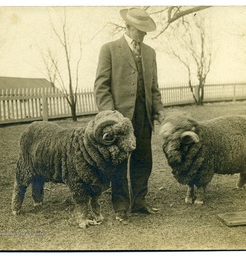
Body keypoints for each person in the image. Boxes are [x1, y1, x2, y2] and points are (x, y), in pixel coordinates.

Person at [94, 7, 165, 223]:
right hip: (119, 120)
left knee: (143, 160)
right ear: (128, 27)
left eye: (145, 31)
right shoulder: (109, 50)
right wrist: (110, 116)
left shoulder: (150, 53)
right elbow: (101, 86)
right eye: (140, 30)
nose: (143, 34)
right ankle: (121, 206)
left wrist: (159, 109)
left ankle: (138, 202)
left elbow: (154, 87)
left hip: (143, 117)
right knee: (118, 163)